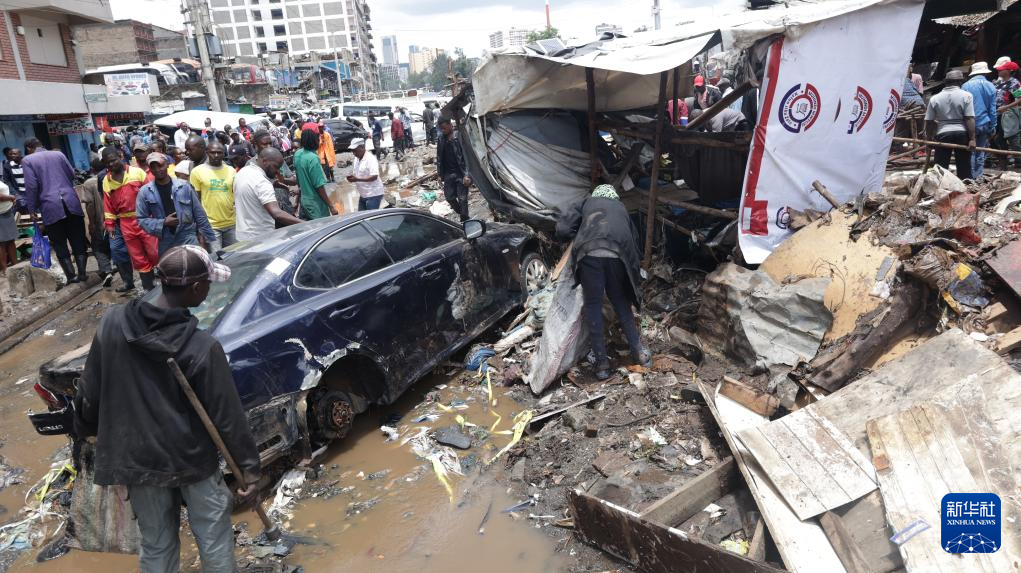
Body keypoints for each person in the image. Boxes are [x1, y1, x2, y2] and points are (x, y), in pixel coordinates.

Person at [73, 245, 261, 573]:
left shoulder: (113, 324)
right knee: (214, 538)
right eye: (207, 284)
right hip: (192, 460)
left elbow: (88, 395)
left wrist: (86, 434)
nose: (208, 290)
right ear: (196, 287)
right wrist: (249, 470)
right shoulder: (202, 347)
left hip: (139, 461)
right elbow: (227, 417)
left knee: (157, 543)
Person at [556, 185, 648, 380]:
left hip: (589, 254)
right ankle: (639, 353)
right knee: (621, 302)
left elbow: (563, 228)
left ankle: (602, 365)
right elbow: (634, 240)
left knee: (593, 306)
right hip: (618, 255)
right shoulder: (621, 208)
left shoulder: (586, 203)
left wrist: (577, 235)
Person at [22, 138, 90, 283]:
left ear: (29, 148)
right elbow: (72, 174)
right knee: (77, 238)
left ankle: (71, 276)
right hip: (71, 201)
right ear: (41, 144)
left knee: (59, 242)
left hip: (50, 205)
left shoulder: (27, 160)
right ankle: (82, 273)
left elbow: (32, 186)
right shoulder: (58, 154)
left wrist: (32, 208)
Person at [101, 147, 160, 292]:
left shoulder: (137, 173)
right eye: (107, 163)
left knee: (154, 252)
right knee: (138, 256)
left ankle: (164, 279)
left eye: (113, 161)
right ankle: (148, 288)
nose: (111, 165)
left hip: (145, 219)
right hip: (126, 223)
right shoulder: (106, 181)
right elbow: (108, 206)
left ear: (120, 156)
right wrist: (110, 225)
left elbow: (152, 194)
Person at [137, 153, 216, 256]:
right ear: (149, 169)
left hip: (188, 237)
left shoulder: (184, 186)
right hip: (165, 240)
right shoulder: (145, 192)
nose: (157, 170)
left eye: (160, 165)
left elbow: (199, 214)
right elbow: (141, 219)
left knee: (194, 265)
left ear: (167, 164)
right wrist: (163, 222)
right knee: (172, 266)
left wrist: (206, 239)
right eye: (153, 167)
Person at [234, 147, 303, 242]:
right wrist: (305, 224)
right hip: (260, 239)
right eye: (276, 167)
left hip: (242, 236)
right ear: (264, 161)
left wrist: (274, 184)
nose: (277, 172)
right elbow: (276, 213)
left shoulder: (243, 172)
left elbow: (252, 192)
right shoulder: (262, 182)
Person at [925, 69, 977, 180]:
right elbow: (969, 118)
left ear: (946, 82)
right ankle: (965, 186)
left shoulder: (935, 98)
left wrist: (929, 139)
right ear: (960, 82)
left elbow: (929, 121)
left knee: (940, 168)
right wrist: (972, 139)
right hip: (962, 133)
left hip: (943, 133)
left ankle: (939, 186)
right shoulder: (966, 96)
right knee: (964, 167)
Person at [189, 141, 237, 252]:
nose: (216, 155)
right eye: (213, 152)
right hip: (211, 225)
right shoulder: (197, 172)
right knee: (217, 257)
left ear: (224, 153)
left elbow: (234, 193)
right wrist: (200, 225)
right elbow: (196, 200)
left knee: (235, 255)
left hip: (231, 223)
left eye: (219, 153)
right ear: (207, 152)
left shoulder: (231, 170)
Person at [78, 159, 114, 286]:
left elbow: (90, 205)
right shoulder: (112, 177)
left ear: (92, 169)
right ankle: (116, 266)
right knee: (113, 242)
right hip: (114, 219)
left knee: (98, 246)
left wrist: (91, 223)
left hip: (100, 221)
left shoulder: (89, 183)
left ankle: (106, 270)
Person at [962, 62, 998, 178]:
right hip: (984, 122)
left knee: (971, 151)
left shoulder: (965, 86)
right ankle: (978, 176)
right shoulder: (991, 86)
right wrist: (993, 126)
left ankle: (970, 176)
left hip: (969, 123)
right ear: (985, 73)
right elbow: (992, 109)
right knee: (980, 151)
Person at [294, 129, 337, 220]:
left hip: (304, 201)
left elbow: (298, 179)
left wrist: (297, 201)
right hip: (315, 204)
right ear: (314, 140)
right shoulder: (313, 158)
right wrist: (331, 206)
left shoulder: (297, 154)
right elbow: (319, 186)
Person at [436, 116, 471, 222]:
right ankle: (463, 213)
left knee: (462, 199)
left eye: (444, 128)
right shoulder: (441, 139)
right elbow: (439, 157)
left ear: (450, 125)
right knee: (449, 197)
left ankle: (465, 220)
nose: (443, 130)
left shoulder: (459, 136)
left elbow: (467, 157)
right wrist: (439, 174)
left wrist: (467, 174)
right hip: (448, 173)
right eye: (441, 129)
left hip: (461, 173)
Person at [995, 60, 1021, 167]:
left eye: (1002, 69)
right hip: (998, 114)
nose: (999, 71)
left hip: (1008, 115)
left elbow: (1020, 99)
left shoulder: (1014, 83)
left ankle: (1018, 162)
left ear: (1009, 71)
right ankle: (1003, 161)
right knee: (999, 138)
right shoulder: (999, 82)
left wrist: (1005, 107)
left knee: (1012, 138)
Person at [346, 138, 384, 211]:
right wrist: (352, 178)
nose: (354, 153)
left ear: (362, 147)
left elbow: (374, 176)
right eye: (352, 151)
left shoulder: (370, 159)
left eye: (355, 150)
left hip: (373, 194)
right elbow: (357, 173)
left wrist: (357, 179)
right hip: (363, 194)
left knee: (371, 216)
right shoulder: (356, 159)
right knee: (361, 215)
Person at [0, 178, 16, 276]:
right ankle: (5, 270)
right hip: (1, 214)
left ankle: (16, 267)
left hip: (6, 212)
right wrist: (11, 197)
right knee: (2, 243)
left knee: (10, 241)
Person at [2, 147, 25, 211]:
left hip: (30, 191)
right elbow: (7, 181)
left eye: (14, 154)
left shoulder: (27, 163)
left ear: (20, 154)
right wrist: (14, 193)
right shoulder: (7, 166)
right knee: (21, 210)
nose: (12, 155)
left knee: (36, 210)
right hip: (18, 192)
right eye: (11, 154)